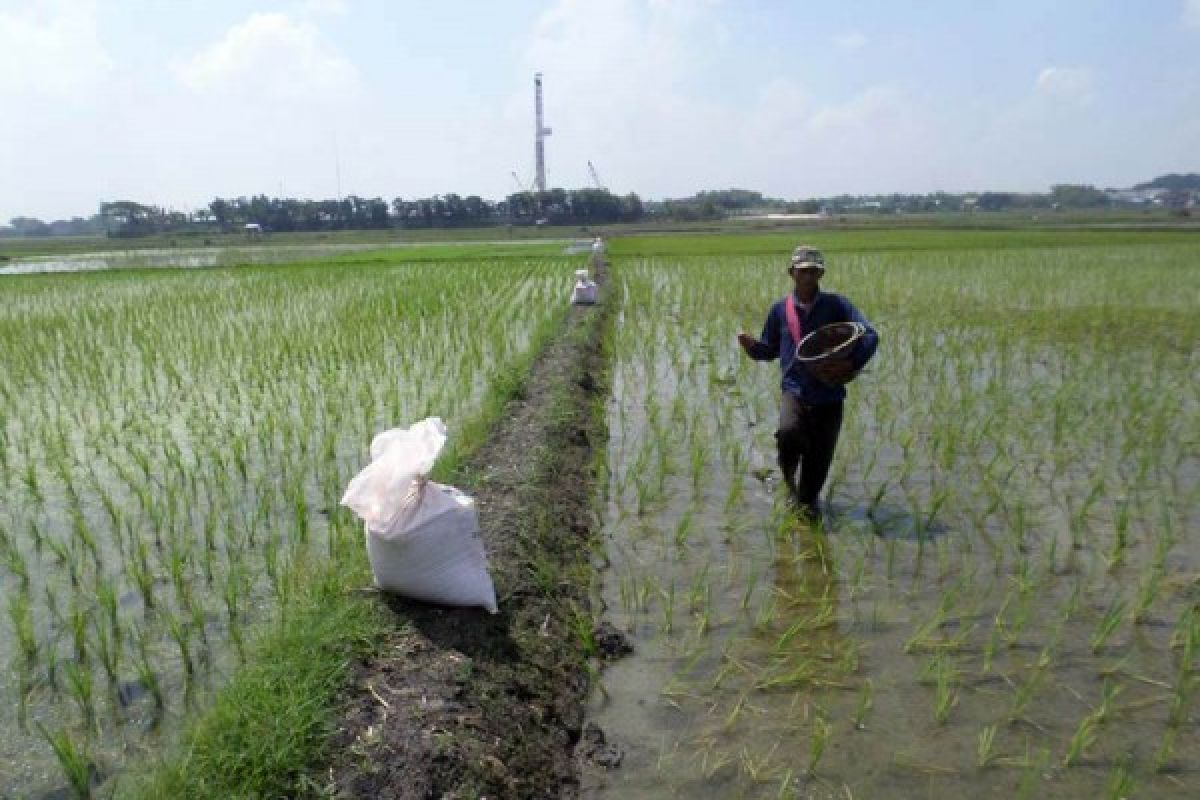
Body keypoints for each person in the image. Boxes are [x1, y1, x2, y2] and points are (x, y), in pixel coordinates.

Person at [737, 245, 879, 521]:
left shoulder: (838, 305)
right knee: (788, 434)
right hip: (795, 391)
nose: (808, 277)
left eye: (814, 271)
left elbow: (871, 334)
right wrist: (750, 346)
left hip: (829, 394)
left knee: (818, 463)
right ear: (792, 273)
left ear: (821, 274)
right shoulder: (780, 310)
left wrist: (852, 363)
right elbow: (769, 349)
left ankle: (807, 506)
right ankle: (789, 484)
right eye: (802, 271)